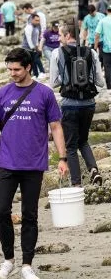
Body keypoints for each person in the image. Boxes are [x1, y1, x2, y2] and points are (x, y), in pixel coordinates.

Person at [0, 47, 69, 279]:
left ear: (28, 68)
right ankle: (8, 260)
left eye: (16, 69)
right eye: (9, 69)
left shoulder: (44, 94)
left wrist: (63, 159)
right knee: (1, 211)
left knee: (29, 215)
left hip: (33, 164)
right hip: (6, 163)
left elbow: (56, 127)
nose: (12, 73)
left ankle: (27, 265)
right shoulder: (3, 94)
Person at [51, 23, 104, 187]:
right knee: (84, 140)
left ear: (67, 36)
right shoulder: (91, 52)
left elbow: (54, 82)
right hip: (89, 103)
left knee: (71, 146)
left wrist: (66, 79)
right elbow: (99, 82)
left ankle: (76, 183)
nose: (59, 38)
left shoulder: (57, 53)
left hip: (69, 105)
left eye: (61, 35)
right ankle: (93, 170)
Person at [21, 13, 45, 78]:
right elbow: (29, 39)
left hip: (34, 48)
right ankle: (35, 74)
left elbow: (36, 39)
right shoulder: (28, 27)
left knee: (36, 60)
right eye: (36, 20)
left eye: (38, 20)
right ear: (32, 20)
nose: (38, 22)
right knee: (31, 62)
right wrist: (33, 48)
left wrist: (37, 47)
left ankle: (40, 73)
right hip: (26, 48)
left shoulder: (36, 28)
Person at [94, 10, 111, 90]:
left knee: (107, 67)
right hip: (106, 48)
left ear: (107, 11)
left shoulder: (103, 21)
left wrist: (95, 47)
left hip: (107, 49)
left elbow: (97, 34)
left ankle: (109, 87)